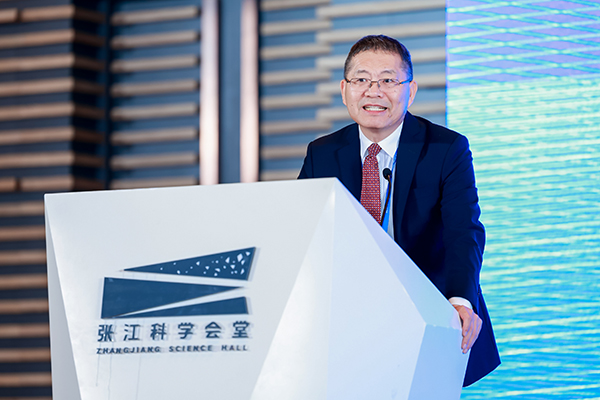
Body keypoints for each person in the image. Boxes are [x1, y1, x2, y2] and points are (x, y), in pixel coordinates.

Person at [298, 35, 500, 386]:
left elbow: (463, 232)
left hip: (426, 314)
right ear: (345, 90)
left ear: (411, 90)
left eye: (388, 80)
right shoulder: (322, 153)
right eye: (362, 80)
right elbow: (301, 232)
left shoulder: (446, 148)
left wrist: (460, 300)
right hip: (349, 322)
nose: (374, 91)